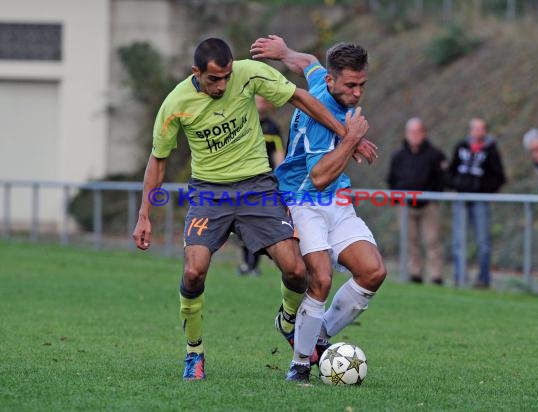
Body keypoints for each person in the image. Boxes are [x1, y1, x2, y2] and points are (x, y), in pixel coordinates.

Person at [131, 38, 377, 381]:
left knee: (296, 270)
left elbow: (300, 96)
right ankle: (194, 352)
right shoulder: (175, 103)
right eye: (214, 79)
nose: (222, 85)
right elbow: (158, 160)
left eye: (227, 76)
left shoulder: (248, 75)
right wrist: (144, 213)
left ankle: (289, 321)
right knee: (193, 272)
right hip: (209, 193)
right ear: (196, 73)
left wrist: (349, 136)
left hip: (256, 188)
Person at [251, 35, 386, 382]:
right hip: (303, 200)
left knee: (373, 272)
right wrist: (352, 138)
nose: (357, 93)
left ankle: (317, 335)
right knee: (321, 279)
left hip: (338, 203)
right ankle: (299, 365)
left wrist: (285, 53)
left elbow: (308, 62)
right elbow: (319, 176)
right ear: (332, 81)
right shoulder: (317, 119)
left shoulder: (321, 80)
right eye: (351, 85)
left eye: (362, 85)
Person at [387, 117, 447, 285]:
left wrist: (434, 197)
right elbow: (391, 180)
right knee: (410, 241)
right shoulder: (398, 156)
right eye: (410, 132)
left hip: (428, 205)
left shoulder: (435, 155)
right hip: (405, 206)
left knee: (432, 240)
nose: (413, 135)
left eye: (417, 132)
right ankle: (415, 274)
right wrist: (397, 199)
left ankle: (436, 275)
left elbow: (442, 179)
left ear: (423, 133)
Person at [448, 118, 506, 288]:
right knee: (459, 240)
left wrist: (482, 188)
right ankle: (459, 277)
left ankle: (483, 279)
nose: (477, 132)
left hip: (480, 200)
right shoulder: (461, 147)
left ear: (485, 131)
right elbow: (450, 171)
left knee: (483, 242)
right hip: (461, 199)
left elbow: (499, 177)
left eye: (480, 129)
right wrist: (458, 184)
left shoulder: (491, 150)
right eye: (474, 129)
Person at [237, 96, 285, 276]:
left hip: (263, 183)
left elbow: (278, 154)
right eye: (258, 100)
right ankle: (246, 264)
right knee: (242, 224)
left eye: (264, 101)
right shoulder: (242, 122)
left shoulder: (272, 128)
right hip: (242, 181)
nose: (261, 103)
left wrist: (279, 177)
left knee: (256, 224)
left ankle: (252, 266)